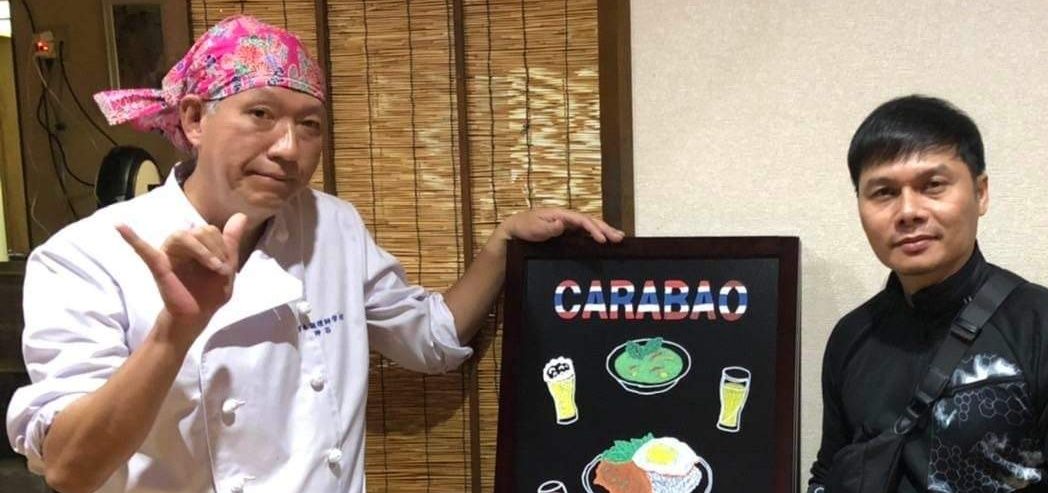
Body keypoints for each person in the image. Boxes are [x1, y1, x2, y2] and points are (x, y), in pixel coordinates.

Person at [4, 15, 622, 493]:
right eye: (261, 114)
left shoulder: (332, 226)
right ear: (193, 119)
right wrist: (175, 333)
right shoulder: (87, 257)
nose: (288, 148)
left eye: (310, 125)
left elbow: (429, 340)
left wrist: (501, 245)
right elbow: (71, 468)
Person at [807, 95, 1048, 492]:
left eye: (933, 186)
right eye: (884, 192)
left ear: (981, 193)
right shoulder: (851, 336)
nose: (908, 211)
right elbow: (829, 473)